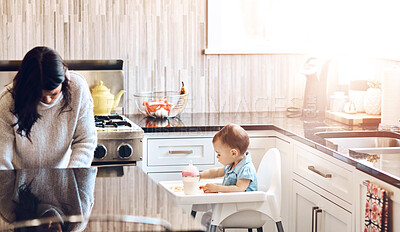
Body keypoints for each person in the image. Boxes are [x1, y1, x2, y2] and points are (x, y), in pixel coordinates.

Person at [0, 46, 97, 169]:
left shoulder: (77, 88)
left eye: (54, 94)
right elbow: (2, 160)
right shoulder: (7, 101)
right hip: (20, 180)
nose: (48, 100)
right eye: (39, 96)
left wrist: (71, 178)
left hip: (63, 175)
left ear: (63, 82)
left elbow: (85, 140)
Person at [199, 124, 257, 231]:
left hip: (243, 210)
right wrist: (201, 175)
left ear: (233, 153)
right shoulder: (233, 164)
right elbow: (216, 172)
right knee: (207, 216)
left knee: (210, 217)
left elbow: (239, 189)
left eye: (219, 154)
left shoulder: (246, 168)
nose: (217, 157)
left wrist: (217, 188)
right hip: (232, 206)